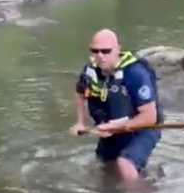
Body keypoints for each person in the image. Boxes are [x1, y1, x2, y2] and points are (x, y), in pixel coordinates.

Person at [70, 29, 163, 182]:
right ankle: (143, 179)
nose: (100, 56)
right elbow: (80, 93)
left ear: (118, 49)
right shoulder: (90, 71)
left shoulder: (135, 74)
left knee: (125, 164)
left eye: (106, 51)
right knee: (106, 167)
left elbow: (150, 117)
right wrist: (81, 122)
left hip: (143, 128)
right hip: (111, 129)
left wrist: (117, 127)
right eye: (95, 51)